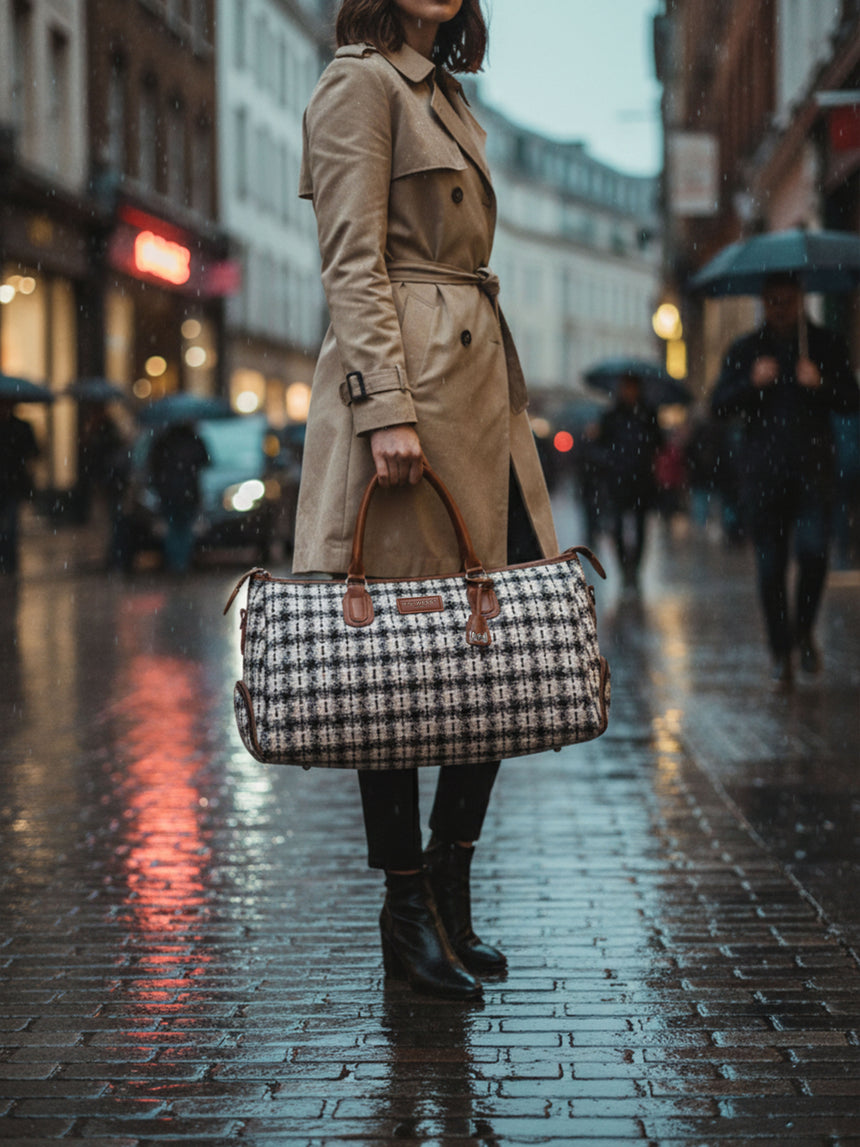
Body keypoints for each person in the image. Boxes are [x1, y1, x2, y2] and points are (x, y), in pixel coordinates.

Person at [293, 0, 559, 1000]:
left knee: (500, 639)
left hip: (477, 399)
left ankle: (448, 878)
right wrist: (382, 407)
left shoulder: (442, 92)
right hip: (408, 403)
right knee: (391, 665)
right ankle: (405, 910)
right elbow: (349, 259)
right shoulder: (358, 82)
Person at [711, 272, 860, 689]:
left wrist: (822, 383)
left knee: (814, 555)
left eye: (787, 300)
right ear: (763, 302)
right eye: (773, 300)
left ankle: (803, 631)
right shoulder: (746, 350)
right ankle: (781, 653)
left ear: (800, 300)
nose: (779, 307)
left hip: (813, 472)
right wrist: (750, 383)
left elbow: (852, 398)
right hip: (763, 476)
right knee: (770, 568)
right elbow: (717, 405)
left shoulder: (825, 344)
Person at [594, 372, 662, 590]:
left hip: (642, 479)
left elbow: (659, 443)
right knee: (616, 525)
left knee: (641, 525)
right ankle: (624, 567)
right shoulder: (612, 415)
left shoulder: (648, 413)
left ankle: (636, 567)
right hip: (618, 479)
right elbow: (600, 446)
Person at [148, 421, 210, 574]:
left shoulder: (162, 442)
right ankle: (182, 561)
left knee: (173, 528)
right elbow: (206, 461)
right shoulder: (194, 441)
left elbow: (152, 465)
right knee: (185, 527)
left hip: (168, 493)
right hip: (188, 492)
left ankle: (175, 561)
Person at [0, 400, 39, 576]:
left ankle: (9, 561)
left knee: (11, 525)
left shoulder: (21, 428)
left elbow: (34, 452)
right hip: (10, 483)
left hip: (13, 484)